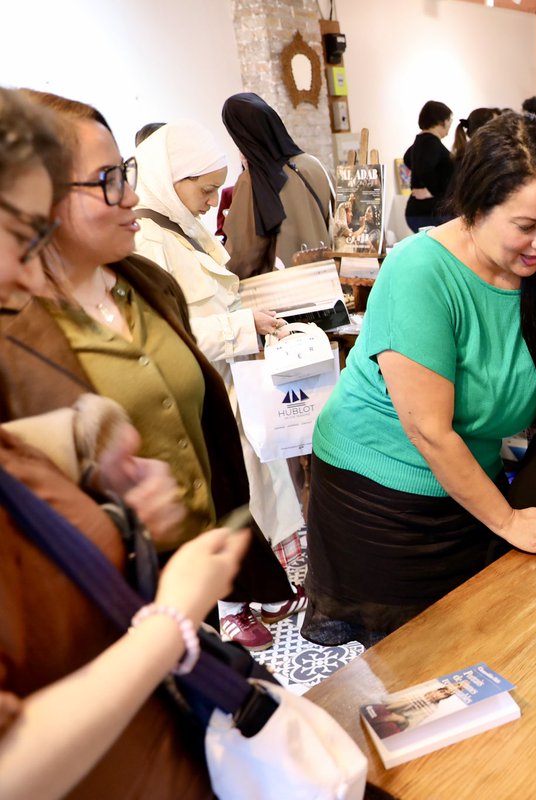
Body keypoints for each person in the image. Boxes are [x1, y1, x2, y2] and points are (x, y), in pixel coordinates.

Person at [0, 84, 251, 800]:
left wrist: (79, 436)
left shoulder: (144, 282)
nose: (24, 270)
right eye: (21, 235)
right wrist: (168, 622)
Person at [303, 112, 536, 646]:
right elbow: (430, 432)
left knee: (484, 646)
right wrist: (509, 522)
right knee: (416, 665)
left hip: (471, 487)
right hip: (383, 496)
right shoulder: (420, 272)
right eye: (528, 225)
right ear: (476, 205)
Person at [5, 89, 294, 627]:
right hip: (106, 606)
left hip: (193, 578)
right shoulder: (16, 335)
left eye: (127, 173)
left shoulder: (148, 285)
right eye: (107, 180)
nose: (132, 198)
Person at [131, 120, 307, 649]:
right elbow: (163, 334)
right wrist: (240, 326)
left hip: (232, 381)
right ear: (171, 178)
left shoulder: (182, 224)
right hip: (198, 391)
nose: (213, 202)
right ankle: (229, 607)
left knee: (250, 491)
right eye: (205, 190)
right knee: (223, 499)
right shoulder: (145, 235)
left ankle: (260, 590)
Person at [221, 92, 334, 278]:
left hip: (284, 292)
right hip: (329, 281)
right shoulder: (315, 165)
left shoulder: (252, 181)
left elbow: (243, 253)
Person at [403, 100, 455, 233]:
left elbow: (408, 159)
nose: (450, 124)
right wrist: (435, 192)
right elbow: (425, 169)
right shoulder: (431, 143)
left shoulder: (421, 141)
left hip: (420, 211)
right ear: (441, 121)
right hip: (431, 213)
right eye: (450, 120)